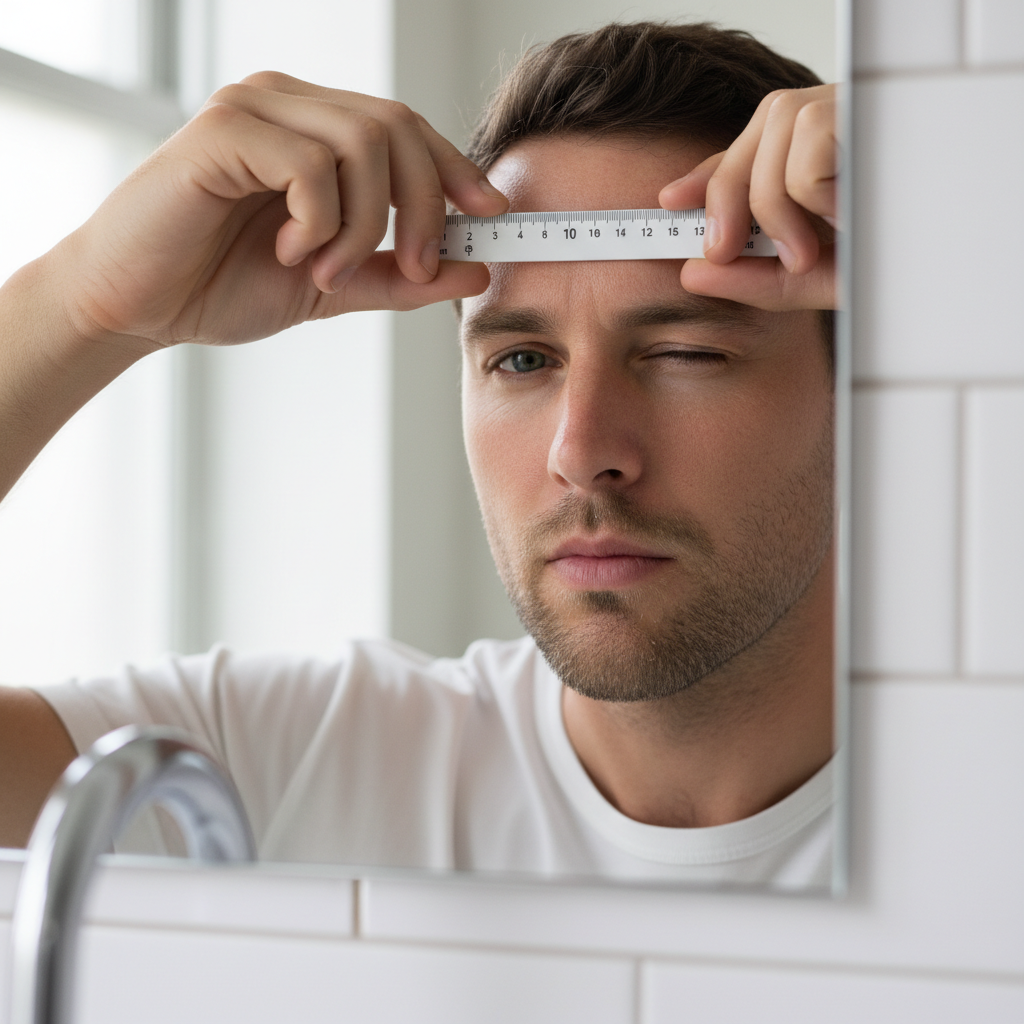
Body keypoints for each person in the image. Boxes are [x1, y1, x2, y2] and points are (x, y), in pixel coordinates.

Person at [0, 22, 838, 887]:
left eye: (686, 355)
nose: (581, 452)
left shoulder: (985, 800)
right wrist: (83, 308)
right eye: (522, 361)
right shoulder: (261, 772)